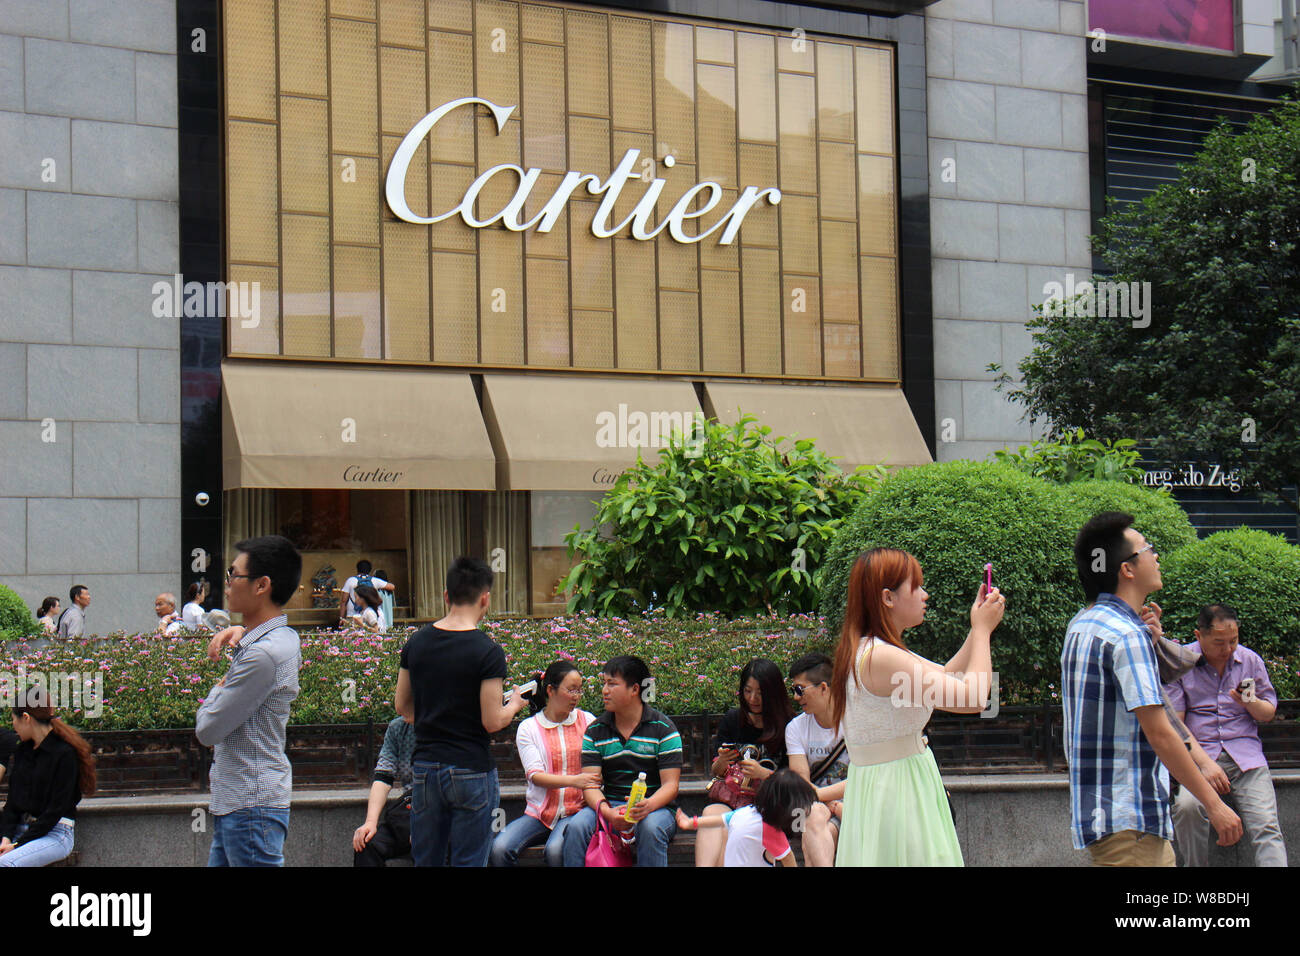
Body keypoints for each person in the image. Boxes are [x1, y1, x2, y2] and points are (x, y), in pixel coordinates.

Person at [1062, 512, 1241, 866]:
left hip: (1108, 816)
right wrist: (1214, 804)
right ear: (1127, 569)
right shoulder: (1127, 636)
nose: (1155, 556)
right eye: (1148, 549)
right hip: (1132, 818)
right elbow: (1159, 732)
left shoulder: (1083, 624)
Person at [831, 547, 1003, 866]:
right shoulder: (882, 656)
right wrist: (982, 630)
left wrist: (977, 627)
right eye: (916, 586)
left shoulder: (873, 650)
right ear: (888, 598)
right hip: (897, 787)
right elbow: (973, 698)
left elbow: (947, 676)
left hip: (891, 782)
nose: (924, 595)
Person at [395, 556, 526, 867]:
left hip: (425, 768)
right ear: (485, 598)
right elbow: (492, 721)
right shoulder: (487, 651)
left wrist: (429, 715)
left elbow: (402, 706)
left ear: (446, 595)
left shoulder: (416, 643)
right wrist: (516, 705)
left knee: (427, 860)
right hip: (471, 768)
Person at [197, 535, 303, 867]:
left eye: (234, 575)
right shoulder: (280, 639)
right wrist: (242, 631)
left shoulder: (262, 655)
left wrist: (220, 685)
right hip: (244, 802)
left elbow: (208, 729)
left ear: (262, 585)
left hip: (250, 805)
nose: (227, 584)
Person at [1165, 604, 1286, 867]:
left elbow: (1267, 712)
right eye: (1220, 642)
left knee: (1266, 825)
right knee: (1187, 808)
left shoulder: (1250, 660)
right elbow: (1177, 725)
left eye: (1233, 640)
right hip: (1200, 756)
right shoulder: (1181, 663)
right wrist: (1205, 766)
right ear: (1199, 636)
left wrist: (1249, 703)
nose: (1228, 649)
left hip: (1246, 757)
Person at [561, 656, 683, 867]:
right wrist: (608, 813)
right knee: (577, 826)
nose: (604, 691)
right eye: (604, 683)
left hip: (655, 808)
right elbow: (590, 785)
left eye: (612, 684)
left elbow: (671, 786)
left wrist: (647, 806)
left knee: (651, 827)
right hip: (611, 805)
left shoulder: (663, 729)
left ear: (635, 689)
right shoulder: (595, 731)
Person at [491, 660, 598, 867]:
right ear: (550, 689)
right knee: (500, 849)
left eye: (579, 691)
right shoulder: (529, 728)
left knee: (556, 851)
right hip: (539, 814)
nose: (576, 696)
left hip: (576, 810)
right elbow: (535, 776)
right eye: (571, 690)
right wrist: (577, 781)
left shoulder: (588, 722)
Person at [695, 657, 791, 866]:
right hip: (732, 799)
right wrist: (722, 760)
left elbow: (794, 781)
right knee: (710, 817)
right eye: (748, 691)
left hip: (767, 804)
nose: (753, 698)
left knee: (736, 828)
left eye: (760, 692)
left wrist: (763, 773)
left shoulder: (788, 725)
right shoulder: (733, 719)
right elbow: (717, 772)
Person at [0, 686, 97, 867]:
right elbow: (12, 804)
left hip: (56, 833)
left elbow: (54, 811)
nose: (13, 726)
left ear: (26, 718)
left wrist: (17, 845)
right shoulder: (22, 752)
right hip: (20, 831)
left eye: (13, 720)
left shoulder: (64, 754)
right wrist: (6, 839)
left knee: (6, 864)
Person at [677, 768, 818, 867]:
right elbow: (788, 859)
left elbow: (720, 820)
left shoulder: (745, 813)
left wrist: (691, 822)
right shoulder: (770, 830)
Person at [786, 652, 849, 867]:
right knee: (812, 818)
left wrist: (824, 797)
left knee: (814, 835)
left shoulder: (856, 720)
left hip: (857, 803)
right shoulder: (796, 728)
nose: (796, 697)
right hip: (811, 806)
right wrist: (827, 802)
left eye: (800, 690)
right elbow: (800, 780)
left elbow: (863, 776)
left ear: (823, 688)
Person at [353, 715, 416, 867]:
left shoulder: (450, 726)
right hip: (410, 809)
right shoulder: (399, 727)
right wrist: (370, 822)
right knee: (367, 843)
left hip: (445, 812)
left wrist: (427, 824)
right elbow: (383, 776)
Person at [339, 560, 395, 626]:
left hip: (352, 615)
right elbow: (392, 587)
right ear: (369, 570)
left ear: (357, 569)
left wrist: (342, 618)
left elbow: (344, 601)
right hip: (370, 615)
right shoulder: (374, 580)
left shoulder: (350, 581)